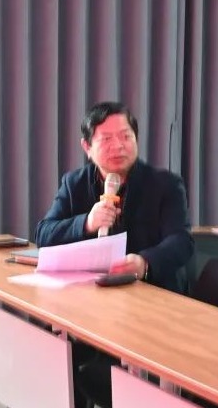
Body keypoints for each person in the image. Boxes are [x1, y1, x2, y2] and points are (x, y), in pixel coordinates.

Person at [35, 101, 195, 293]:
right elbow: (44, 234)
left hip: (152, 291)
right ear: (87, 147)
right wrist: (87, 223)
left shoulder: (165, 184)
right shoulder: (74, 183)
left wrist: (145, 262)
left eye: (126, 136)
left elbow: (181, 240)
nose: (118, 146)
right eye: (106, 139)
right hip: (90, 292)